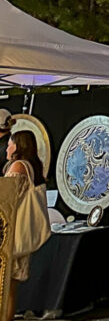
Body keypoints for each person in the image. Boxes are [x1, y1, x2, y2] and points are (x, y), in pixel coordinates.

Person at [4, 130, 46, 321]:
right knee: (11, 288)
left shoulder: (18, 166)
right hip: (21, 234)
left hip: (10, 235)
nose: (7, 148)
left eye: (10, 144)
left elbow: (6, 197)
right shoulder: (33, 166)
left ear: (18, 146)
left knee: (4, 287)